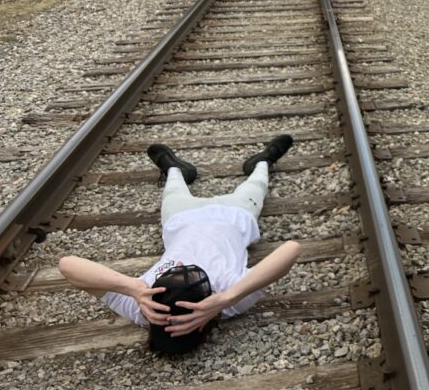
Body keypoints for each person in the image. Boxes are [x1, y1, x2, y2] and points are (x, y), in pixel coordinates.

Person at [59, 135, 301, 354]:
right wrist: (227, 298)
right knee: (255, 185)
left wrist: (132, 287)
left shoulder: (142, 307)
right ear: (203, 319)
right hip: (235, 215)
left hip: (180, 219)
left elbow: (67, 265)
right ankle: (263, 161)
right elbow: (291, 249)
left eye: (170, 281)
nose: (184, 266)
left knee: (173, 187)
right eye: (195, 280)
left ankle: (175, 169)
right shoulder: (227, 300)